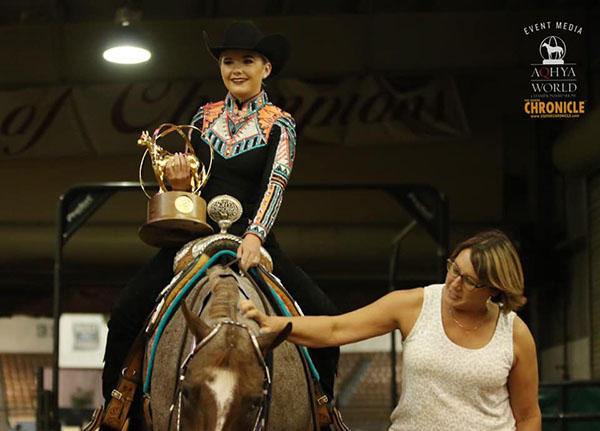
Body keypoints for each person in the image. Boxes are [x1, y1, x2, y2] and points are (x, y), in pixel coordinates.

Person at [102, 20, 340, 418]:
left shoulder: (280, 124)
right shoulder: (203, 117)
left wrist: (256, 235)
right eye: (229, 61)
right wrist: (179, 185)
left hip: (253, 239)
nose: (236, 69)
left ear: (266, 69)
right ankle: (114, 408)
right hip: (198, 238)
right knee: (127, 310)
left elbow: (275, 183)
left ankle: (323, 411)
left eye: (248, 60)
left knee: (324, 317)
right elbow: (195, 186)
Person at [241, 230, 542, 431]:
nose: (454, 282)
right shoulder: (414, 305)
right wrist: (276, 323)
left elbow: (528, 417)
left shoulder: (514, 333)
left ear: (493, 289)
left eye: (470, 280)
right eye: (454, 268)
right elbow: (335, 329)